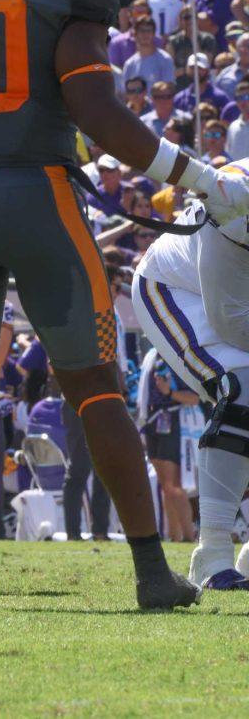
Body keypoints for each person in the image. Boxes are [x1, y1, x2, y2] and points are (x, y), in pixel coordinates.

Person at [0, 0, 249, 608]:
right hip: (38, 193)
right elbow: (97, 113)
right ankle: (151, 574)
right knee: (95, 386)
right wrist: (202, 178)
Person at [131, 168, 249, 589]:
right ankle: (213, 555)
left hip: (232, 292)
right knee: (242, 390)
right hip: (173, 287)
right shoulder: (236, 202)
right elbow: (231, 320)